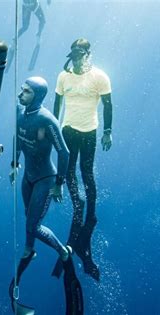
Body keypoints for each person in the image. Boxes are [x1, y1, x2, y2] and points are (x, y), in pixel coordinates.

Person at [9, 76, 82, 314]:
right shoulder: (21, 112)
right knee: (28, 223)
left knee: (32, 224)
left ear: (38, 96)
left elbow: (65, 152)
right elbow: (17, 137)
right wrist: (14, 163)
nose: (21, 94)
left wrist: (59, 183)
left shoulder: (46, 120)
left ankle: (62, 251)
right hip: (28, 177)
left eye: (27, 92)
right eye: (22, 89)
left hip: (45, 179)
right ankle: (30, 249)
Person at [52, 38, 113, 281]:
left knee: (87, 172)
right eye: (74, 54)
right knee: (68, 170)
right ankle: (78, 204)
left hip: (89, 131)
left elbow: (108, 105)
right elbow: (56, 105)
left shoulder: (100, 77)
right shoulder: (63, 77)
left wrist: (108, 132)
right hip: (68, 130)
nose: (76, 58)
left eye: (80, 54)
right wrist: (52, 128)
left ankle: (91, 215)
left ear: (88, 54)